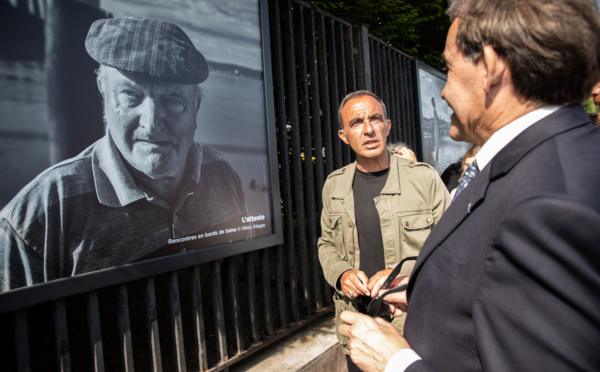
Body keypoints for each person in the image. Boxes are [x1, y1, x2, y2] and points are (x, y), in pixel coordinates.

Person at [339, 0, 600, 371]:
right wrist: (430, 292)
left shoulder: (548, 205)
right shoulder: (540, 162)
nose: (444, 90)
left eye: (448, 66)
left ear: (491, 65)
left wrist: (396, 362)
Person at [0, 17, 249, 292]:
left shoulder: (222, 175)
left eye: (174, 100)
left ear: (196, 107)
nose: (152, 125)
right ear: (103, 96)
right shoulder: (41, 214)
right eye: (130, 96)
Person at [317, 90, 449, 371]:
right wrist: (342, 274)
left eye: (375, 119)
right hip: (359, 329)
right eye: (356, 123)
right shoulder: (334, 186)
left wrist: (404, 278)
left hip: (414, 329)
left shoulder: (423, 179)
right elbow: (326, 243)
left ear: (387, 126)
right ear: (344, 136)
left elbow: (454, 248)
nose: (368, 130)